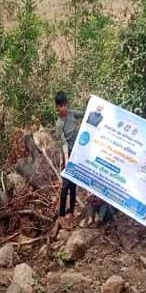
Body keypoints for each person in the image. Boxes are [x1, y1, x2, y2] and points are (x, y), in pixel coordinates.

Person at [54, 91, 82, 220]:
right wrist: (66, 160)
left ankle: (71, 211)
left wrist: (92, 104)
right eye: (60, 106)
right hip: (68, 155)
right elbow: (62, 143)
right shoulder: (59, 124)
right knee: (65, 185)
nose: (63, 108)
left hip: (77, 153)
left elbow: (84, 114)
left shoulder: (72, 114)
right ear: (57, 107)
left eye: (65, 105)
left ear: (67, 105)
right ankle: (61, 213)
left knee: (73, 184)